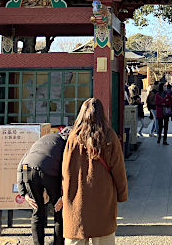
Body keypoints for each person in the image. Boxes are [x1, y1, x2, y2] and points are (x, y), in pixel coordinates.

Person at [62, 98, 128, 245]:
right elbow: (119, 170)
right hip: (102, 197)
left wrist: (64, 194)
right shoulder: (109, 136)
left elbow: (65, 171)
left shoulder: (73, 138)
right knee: (103, 237)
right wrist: (122, 194)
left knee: (77, 234)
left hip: (77, 198)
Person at [17, 127, 71, 245]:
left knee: (37, 211)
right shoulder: (67, 144)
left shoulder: (45, 138)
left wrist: (24, 193)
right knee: (59, 211)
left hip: (27, 169)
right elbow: (67, 171)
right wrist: (63, 196)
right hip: (49, 172)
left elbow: (21, 165)